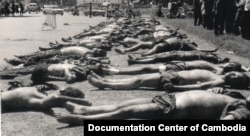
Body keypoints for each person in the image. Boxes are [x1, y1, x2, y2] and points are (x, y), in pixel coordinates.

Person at [54, 90, 243, 123]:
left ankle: (81, 119)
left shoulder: (244, 110)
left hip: (174, 109)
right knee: (124, 104)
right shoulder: (238, 97)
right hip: (169, 98)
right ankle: (86, 110)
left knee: (126, 112)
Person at [87, 70, 250, 91]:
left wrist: (175, 88)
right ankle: (105, 81)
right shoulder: (220, 73)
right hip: (174, 74)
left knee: (138, 83)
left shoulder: (219, 82)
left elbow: (200, 86)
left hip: (176, 80)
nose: (234, 74)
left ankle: (104, 85)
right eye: (237, 73)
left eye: (237, 78)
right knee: (138, 79)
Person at [1, 86, 92, 113]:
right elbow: (54, 97)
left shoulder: (36, 93)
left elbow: (54, 97)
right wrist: (79, 101)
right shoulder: (41, 97)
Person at [101, 60, 248, 75]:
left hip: (179, 69)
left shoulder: (218, 69)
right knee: (147, 67)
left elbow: (219, 73)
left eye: (232, 66)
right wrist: (244, 69)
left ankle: (115, 71)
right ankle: (116, 70)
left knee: (147, 70)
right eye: (232, 62)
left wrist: (242, 69)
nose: (230, 63)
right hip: (178, 65)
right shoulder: (217, 66)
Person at [115, 37, 217, 55]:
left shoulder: (189, 45)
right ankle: (125, 50)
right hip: (161, 42)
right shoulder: (181, 39)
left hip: (166, 45)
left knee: (156, 48)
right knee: (141, 44)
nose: (190, 40)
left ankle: (145, 55)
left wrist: (211, 50)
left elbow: (199, 50)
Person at [127, 50, 229, 65]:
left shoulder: (208, 58)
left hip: (178, 56)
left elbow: (219, 62)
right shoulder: (206, 55)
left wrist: (220, 61)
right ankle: (136, 59)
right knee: (156, 56)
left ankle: (135, 62)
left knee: (156, 59)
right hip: (178, 53)